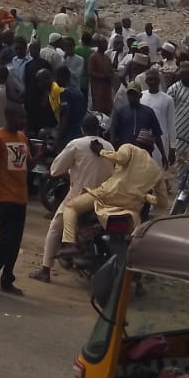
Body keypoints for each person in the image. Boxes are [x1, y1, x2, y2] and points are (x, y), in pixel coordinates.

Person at [31, 116, 115, 284]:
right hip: (105, 198)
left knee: (55, 227)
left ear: (82, 128)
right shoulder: (109, 146)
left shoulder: (76, 144)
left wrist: (55, 173)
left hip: (79, 195)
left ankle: (45, 270)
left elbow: (55, 170)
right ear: (99, 129)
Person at [0, 104, 31, 296]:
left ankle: (7, 278)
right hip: (5, 195)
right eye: (20, 118)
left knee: (16, 240)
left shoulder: (22, 137)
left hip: (21, 196)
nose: (23, 122)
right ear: (10, 117)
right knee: (7, 238)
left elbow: (28, 162)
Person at [139, 69, 175, 166]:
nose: (152, 82)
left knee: (160, 170)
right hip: (143, 140)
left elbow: (171, 124)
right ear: (146, 81)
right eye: (150, 79)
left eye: (155, 79)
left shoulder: (168, 99)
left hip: (162, 141)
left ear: (159, 80)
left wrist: (172, 147)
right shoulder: (141, 96)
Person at [54, 66, 89, 150]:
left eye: (57, 77)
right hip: (79, 132)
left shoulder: (64, 93)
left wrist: (58, 137)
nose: (55, 80)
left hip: (69, 133)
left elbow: (66, 116)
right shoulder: (78, 92)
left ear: (63, 77)